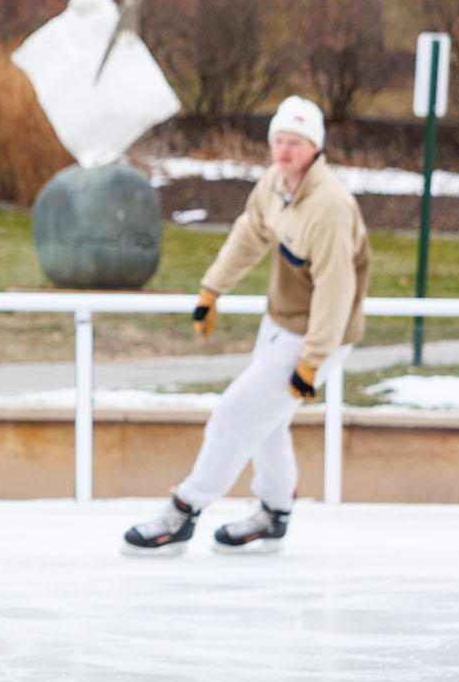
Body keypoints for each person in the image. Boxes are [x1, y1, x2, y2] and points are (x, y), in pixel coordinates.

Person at [124, 95, 369, 555]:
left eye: (295, 142)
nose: (284, 150)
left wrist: (312, 362)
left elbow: (336, 294)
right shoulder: (276, 185)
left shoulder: (330, 207)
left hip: (318, 335)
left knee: (234, 416)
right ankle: (274, 513)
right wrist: (211, 290)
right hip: (279, 323)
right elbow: (248, 234)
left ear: (315, 147)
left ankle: (184, 510)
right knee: (267, 423)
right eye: (278, 140)